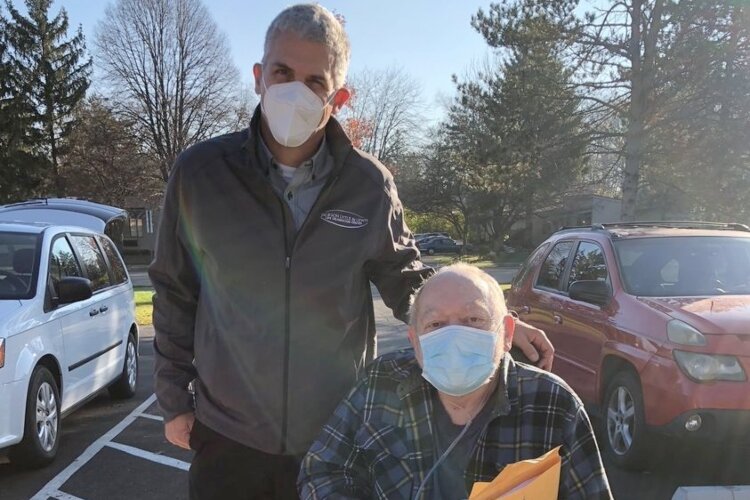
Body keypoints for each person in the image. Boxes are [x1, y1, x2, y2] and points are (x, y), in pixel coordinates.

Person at [148, 4, 553, 499]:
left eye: (314, 81)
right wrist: (174, 399)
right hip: (229, 437)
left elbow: (409, 280)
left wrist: (485, 319)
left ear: (338, 96)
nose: (294, 90)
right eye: (282, 72)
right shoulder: (201, 174)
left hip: (338, 436)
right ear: (258, 77)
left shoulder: (369, 186)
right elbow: (173, 289)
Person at [298, 263, 612, 499]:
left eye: (473, 320)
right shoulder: (381, 383)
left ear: (506, 333)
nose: (454, 337)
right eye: (435, 324)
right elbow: (323, 469)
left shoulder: (554, 405)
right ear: (415, 341)